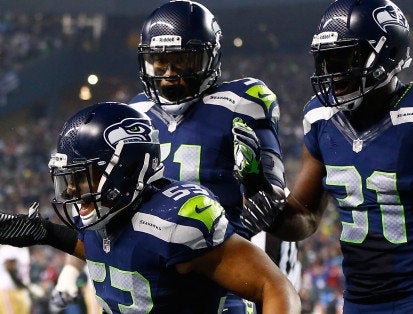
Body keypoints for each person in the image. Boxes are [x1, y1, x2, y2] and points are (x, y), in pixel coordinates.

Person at [231, 0, 413, 313]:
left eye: (345, 57)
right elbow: (304, 218)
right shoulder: (321, 120)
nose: (334, 72)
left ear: (387, 53)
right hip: (359, 299)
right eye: (326, 60)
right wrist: (265, 202)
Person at [53, 1, 300, 312]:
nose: (169, 74)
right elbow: (104, 210)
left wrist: (257, 184)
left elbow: (271, 197)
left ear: (209, 57)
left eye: (182, 62)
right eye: (159, 62)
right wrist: (67, 263)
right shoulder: (135, 113)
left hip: (223, 261)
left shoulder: (239, 102)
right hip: (154, 261)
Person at [0, 102, 301, 313]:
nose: (72, 190)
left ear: (127, 168)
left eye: (84, 176)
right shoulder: (107, 216)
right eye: (68, 178)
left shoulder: (177, 220)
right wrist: (47, 233)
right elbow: (119, 256)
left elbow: (274, 287)